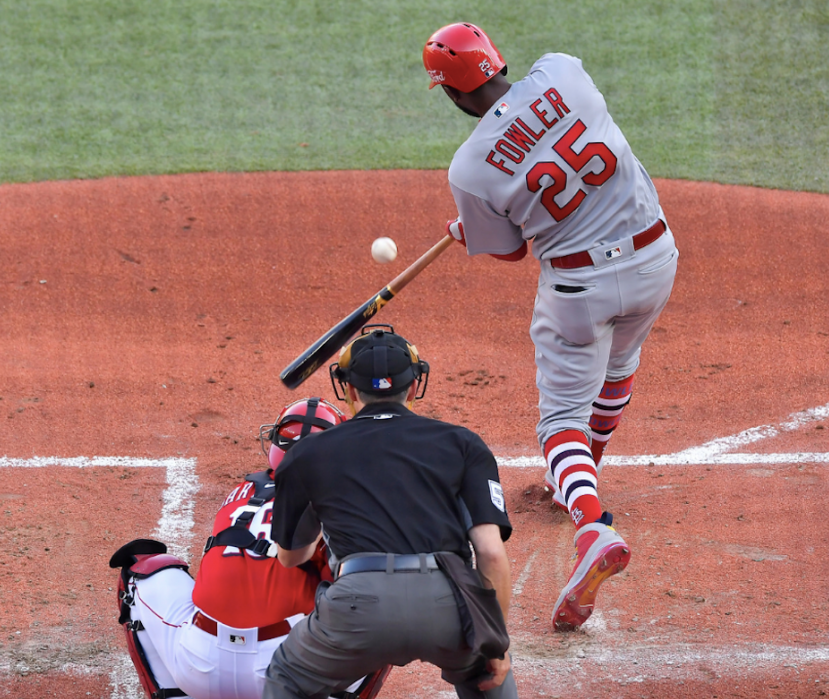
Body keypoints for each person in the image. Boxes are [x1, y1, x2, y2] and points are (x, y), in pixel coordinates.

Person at [423, 22, 679, 631]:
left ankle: (589, 522)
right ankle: (581, 471)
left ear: (451, 94)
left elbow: (510, 250)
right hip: (655, 261)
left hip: (578, 289)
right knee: (619, 368)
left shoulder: (470, 169)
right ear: (495, 60)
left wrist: (471, 227)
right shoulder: (563, 69)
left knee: (559, 419)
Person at [263, 325, 518, 699]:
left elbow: (291, 557)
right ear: (414, 387)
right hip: (448, 605)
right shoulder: (463, 443)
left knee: (287, 675)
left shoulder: (308, 453)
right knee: (487, 674)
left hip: (357, 605)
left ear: (348, 390)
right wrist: (497, 642)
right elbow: (492, 554)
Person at [109, 397, 389, 699]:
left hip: (197, 666)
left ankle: (175, 695)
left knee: (142, 570)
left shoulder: (240, 493)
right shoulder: (343, 504)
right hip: (288, 674)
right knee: (385, 595)